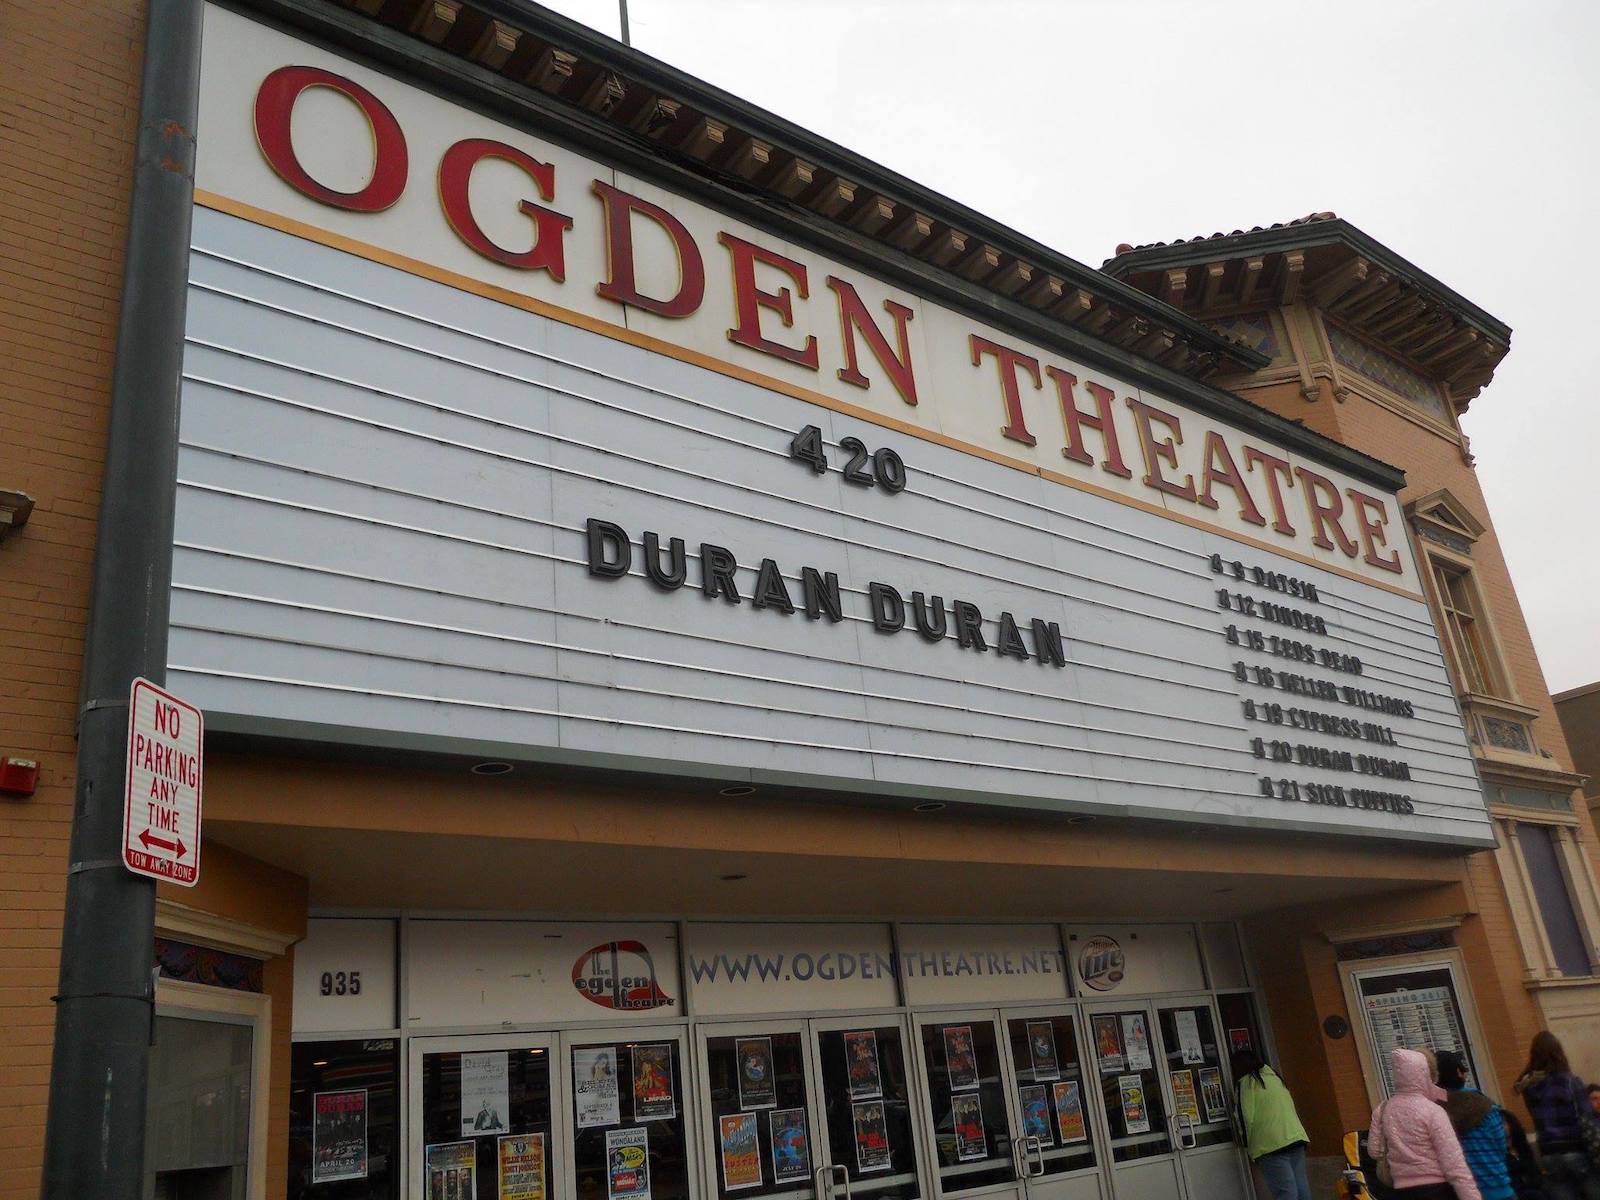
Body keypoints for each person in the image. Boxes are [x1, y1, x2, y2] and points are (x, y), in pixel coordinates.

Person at [1369, 1047, 1482, 1200]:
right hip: (1436, 1188)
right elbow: (1453, 1163)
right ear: (1425, 1074)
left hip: (1399, 1189)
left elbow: (1374, 1151)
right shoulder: (1433, 1111)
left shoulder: (1383, 1109)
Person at [1514, 1032, 1600, 1200]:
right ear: (1558, 1053)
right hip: (1576, 1150)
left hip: (1549, 1154)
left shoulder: (1529, 1088)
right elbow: (1586, 1119)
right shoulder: (1570, 1081)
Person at [1232, 1048, 1312, 1200]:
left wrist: (1246, 1144)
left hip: (1270, 1144)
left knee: (1286, 1192)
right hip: (1296, 1137)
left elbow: (1245, 1117)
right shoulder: (1274, 1077)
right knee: (1301, 1188)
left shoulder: (1246, 1083)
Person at [1435, 1050, 1515, 1200]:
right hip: (1499, 1188)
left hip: (1462, 1193)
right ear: (1459, 1072)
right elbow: (1502, 1145)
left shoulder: (1435, 1112)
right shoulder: (1486, 1106)